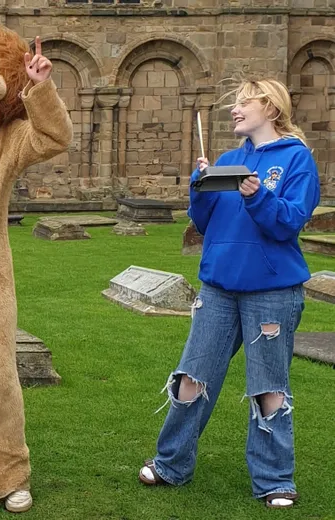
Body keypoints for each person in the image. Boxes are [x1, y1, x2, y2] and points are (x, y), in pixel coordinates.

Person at [138, 78, 320, 509]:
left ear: (271, 109)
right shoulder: (227, 160)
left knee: (268, 389)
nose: (234, 110)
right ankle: (171, 465)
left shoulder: (296, 160)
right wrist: (198, 188)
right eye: (234, 104)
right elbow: (203, 223)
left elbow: (288, 223)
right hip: (218, 289)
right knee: (190, 381)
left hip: (272, 292)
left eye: (243, 103)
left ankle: (275, 480)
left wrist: (258, 196)